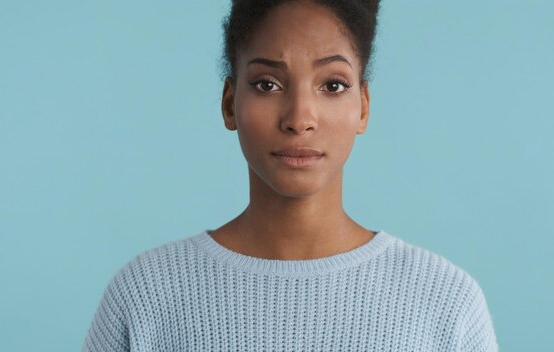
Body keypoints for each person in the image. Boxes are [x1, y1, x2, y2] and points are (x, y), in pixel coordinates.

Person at [83, 1, 499, 351]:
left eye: (332, 86)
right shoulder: (144, 295)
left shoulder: (445, 301)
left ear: (364, 107)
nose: (300, 119)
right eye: (267, 84)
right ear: (229, 103)